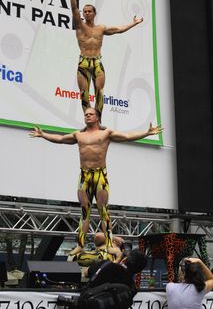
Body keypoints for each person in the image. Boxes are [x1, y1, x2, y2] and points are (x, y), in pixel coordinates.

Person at [29, 107, 162, 256]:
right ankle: (80, 245)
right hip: (84, 177)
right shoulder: (78, 135)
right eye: (86, 115)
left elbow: (127, 137)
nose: (87, 116)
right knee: (84, 212)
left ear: (97, 117)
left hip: (100, 176)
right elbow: (60, 139)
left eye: (91, 114)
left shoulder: (106, 133)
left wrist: (147, 133)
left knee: (103, 211)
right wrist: (42, 134)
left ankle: (110, 244)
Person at [69, 0, 143, 119]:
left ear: (94, 13)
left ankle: (98, 120)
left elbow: (118, 30)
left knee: (99, 92)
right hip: (83, 62)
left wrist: (134, 23)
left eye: (90, 11)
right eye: (85, 11)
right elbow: (73, 8)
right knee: (84, 94)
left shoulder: (101, 28)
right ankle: (88, 121)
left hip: (97, 63)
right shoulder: (79, 26)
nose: (87, 13)